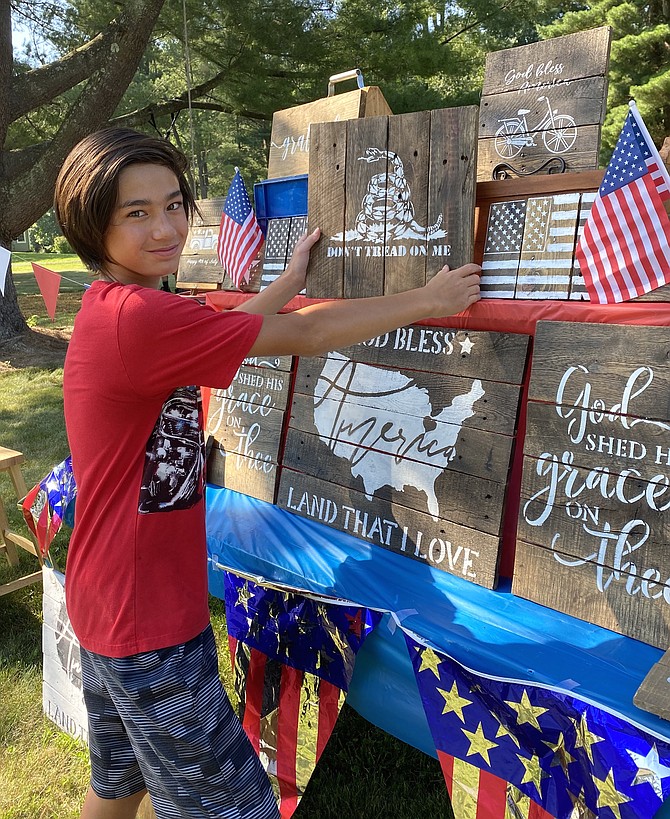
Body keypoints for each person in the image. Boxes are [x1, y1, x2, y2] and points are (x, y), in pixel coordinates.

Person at [54, 127, 481, 819]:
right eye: (136, 213)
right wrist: (428, 299)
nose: (164, 227)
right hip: (149, 624)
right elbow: (308, 338)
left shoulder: (119, 309)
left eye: (173, 204)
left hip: (106, 603)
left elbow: (226, 335)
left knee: (119, 784)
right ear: (90, 223)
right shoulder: (144, 317)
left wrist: (285, 281)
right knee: (233, 807)